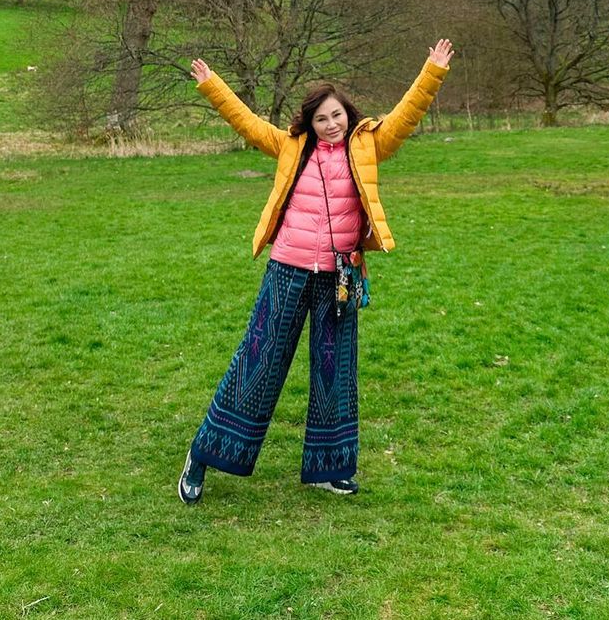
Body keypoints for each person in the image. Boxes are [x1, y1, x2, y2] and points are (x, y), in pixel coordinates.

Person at [178, 38, 454, 501]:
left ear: (349, 115)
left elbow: (406, 116)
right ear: (310, 121)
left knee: (334, 372)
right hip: (286, 271)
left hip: (339, 278)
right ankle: (203, 455)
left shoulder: (368, 146)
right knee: (258, 365)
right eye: (321, 118)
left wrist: (432, 72)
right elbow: (245, 122)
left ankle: (330, 467)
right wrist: (212, 86)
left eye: (337, 116)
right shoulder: (290, 147)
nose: (331, 125)